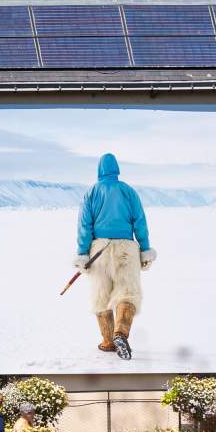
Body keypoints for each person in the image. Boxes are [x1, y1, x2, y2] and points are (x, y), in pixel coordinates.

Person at [74, 153, 159, 361]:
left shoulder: (91, 193)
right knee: (127, 293)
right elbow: (140, 222)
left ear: (99, 170)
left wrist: (83, 254)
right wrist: (145, 248)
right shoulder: (128, 191)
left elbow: (84, 226)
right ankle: (121, 333)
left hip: (99, 250)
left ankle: (108, 341)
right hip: (126, 249)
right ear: (117, 169)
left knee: (101, 296)